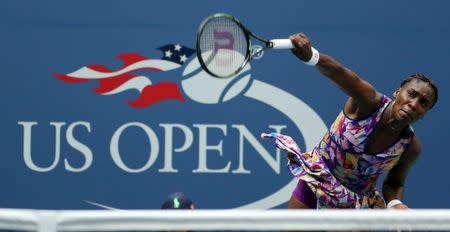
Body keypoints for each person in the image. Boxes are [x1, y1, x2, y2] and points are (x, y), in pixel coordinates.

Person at [264, 33, 438, 209]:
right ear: (397, 92)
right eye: (411, 94)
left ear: (425, 113)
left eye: (423, 103)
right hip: (315, 183)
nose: (414, 104)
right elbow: (339, 72)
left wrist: (395, 203)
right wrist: (312, 57)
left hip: (354, 203)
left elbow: (394, 184)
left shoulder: (410, 146)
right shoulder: (368, 101)